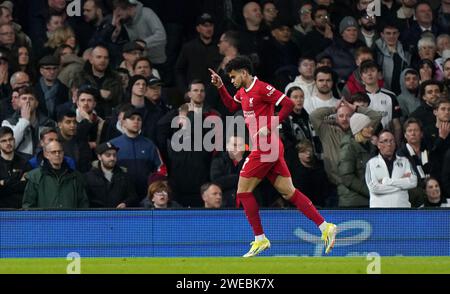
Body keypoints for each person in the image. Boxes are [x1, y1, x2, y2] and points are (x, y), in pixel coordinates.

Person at [209, 56, 337, 257]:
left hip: (266, 146)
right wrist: (220, 87)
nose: (232, 81)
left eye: (233, 77)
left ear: (244, 72)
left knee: (243, 193)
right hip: (268, 148)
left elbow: (287, 103)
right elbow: (232, 106)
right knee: (289, 193)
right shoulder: (243, 92)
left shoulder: (262, 88)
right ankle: (325, 226)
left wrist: (270, 125)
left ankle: (260, 239)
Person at [22, 140, 89, 209]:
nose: (57, 154)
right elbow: (28, 205)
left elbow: (83, 204)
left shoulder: (75, 177)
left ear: (63, 153)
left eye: (60, 152)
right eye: (53, 152)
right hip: (44, 219)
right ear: (46, 154)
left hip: (70, 219)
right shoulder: (35, 177)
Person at [365, 129, 417, 208]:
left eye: (392, 141)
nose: (389, 144)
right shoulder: (371, 163)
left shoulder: (405, 161)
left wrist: (387, 181)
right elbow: (374, 188)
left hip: (402, 210)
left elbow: (413, 182)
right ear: (378, 144)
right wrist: (401, 184)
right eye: (385, 141)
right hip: (379, 213)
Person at [337, 113, 379, 208]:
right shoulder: (348, 147)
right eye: (367, 126)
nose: (371, 129)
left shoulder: (371, 147)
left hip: (368, 199)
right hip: (353, 201)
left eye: (371, 126)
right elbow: (347, 177)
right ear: (359, 129)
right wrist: (369, 191)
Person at [84, 142, 138, 208]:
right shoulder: (88, 177)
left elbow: (133, 197)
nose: (112, 158)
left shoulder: (124, 176)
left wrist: (125, 203)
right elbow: (84, 199)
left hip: (118, 216)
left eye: (114, 155)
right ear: (99, 157)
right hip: (97, 216)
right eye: (108, 155)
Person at [0, 126, 28, 208]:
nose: (8, 143)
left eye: (10, 139)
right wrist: (17, 182)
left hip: (20, 210)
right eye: (3, 141)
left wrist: (4, 183)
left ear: (14, 140)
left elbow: (26, 187)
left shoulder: (24, 162)